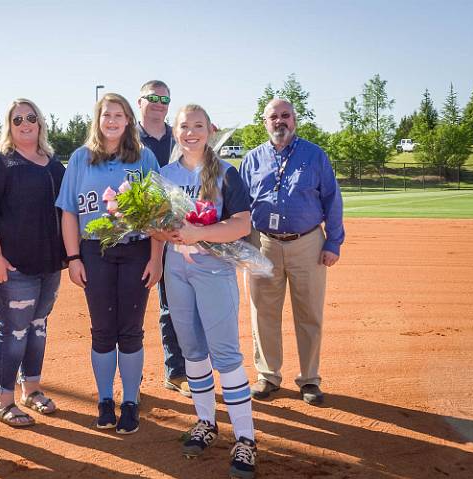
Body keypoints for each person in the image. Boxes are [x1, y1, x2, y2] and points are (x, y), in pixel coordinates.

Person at [156, 104, 257, 478]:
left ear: (209, 130)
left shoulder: (226, 173)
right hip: (176, 268)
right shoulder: (163, 174)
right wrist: (162, 232)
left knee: (226, 352)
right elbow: (157, 227)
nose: (191, 132)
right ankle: (206, 422)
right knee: (192, 350)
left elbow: (241, 225)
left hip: (213, 269)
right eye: (184, 126)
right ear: (176, 131)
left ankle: (245, 438)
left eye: (198, 126)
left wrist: (200, 234)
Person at [56, 93, 162, 435]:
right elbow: (69, 211)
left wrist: (156, 259)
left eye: (119, 115)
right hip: (94, 251)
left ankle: (130, 402)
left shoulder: (144, 158)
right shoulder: (80, 158)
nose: (112, 121)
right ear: (97, 120)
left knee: (130, 331)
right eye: (106, 115)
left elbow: (159, 213)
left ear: (129, 120)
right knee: (102, 330)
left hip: (136, 251)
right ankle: (105, 401)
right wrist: (73, 258)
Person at [239, 98, 344, 406]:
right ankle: (268, 375)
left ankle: (309, 379)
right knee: (263, 313)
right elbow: (240, 207)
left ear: (294, 121)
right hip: (263, 243)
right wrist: (243, 246)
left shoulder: (315, 155)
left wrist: (332, 243)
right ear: (265, 122)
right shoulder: (252, 159)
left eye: (286, 115)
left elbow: (332, 201)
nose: (280, 121)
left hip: (307, 243)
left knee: (309, 312)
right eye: (274, 116)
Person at [0, 99, 66, 427]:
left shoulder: (54, 164)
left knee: (38, 326)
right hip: (10, 266)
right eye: (17, 119)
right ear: (8, 126)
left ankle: (32, 390)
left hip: (48, 263)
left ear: (40, 123)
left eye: (31, 118)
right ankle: (3, 400)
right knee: (13, 330)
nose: (25, 124)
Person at [136, 80, 190, 397]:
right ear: (139, 101)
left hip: (173, 235)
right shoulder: (128, 139)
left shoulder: (180, 137)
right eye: (152, 98)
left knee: (174, 306)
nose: (159, 103)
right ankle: (131, 381)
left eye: (164, 99)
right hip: (133, 236)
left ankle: (177, 371)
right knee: (128, 310)